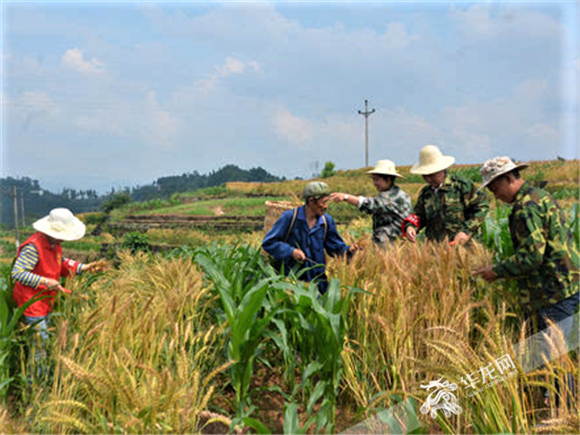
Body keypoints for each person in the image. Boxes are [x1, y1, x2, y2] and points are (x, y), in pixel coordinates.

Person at [473, 157, 579, 377]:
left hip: (552, 291)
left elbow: (532, 257)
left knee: (555, 360)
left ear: (509, 178)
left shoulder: (526, 208)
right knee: (551, 356)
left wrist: (497, 271)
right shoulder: (540, 195)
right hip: (566, 284)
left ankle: (564, 408)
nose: (495, 195)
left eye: (495, 188)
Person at [11, 208, 103, 377]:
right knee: (40, 345)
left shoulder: (54, 244)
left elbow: (61, 262)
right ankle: (36, 387)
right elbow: (17, 273)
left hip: (45, 300)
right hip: (31, 301)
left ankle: (42, 378)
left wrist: (84, 268)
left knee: (44, 343)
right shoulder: (33, 247)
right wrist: (45, 281)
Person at [262, 181, 357, 294]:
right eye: (323, 202)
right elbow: (269, 243)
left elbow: (335, 248)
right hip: (292, 282)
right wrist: (292, 252)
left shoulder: (327, 221)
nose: (326, 206)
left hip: (318, 283)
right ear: (311, 201)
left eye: (327, 202)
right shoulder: (290, 218)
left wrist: (349, 250)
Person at [402, 145, 489, 245]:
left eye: (431, 174)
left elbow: (482, 207)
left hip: (465, 248)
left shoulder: (462, 186)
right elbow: (419, 215)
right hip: (437, 250)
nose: (428, 179)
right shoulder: (426, 193)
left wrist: (466, 231)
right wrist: (411, 226)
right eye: (424, 175)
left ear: (442, 170)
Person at [330, 159, 412, 248]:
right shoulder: (392, 194)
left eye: (377, 180)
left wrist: (346, 197)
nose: (374, 183)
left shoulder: (395, 197)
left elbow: (371, 205)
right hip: (387, 248)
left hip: (393, 248)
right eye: (373, 180)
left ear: (388, 179)